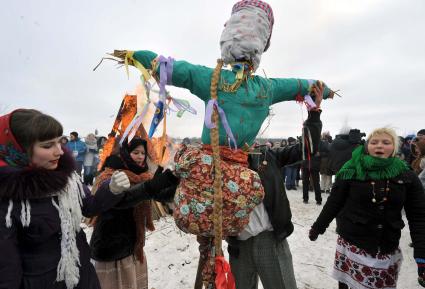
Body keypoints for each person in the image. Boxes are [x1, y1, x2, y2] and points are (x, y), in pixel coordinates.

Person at [0, 109, 131, 289]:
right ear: (20, 150)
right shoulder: (8, 200)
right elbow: (6, 267)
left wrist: (110, 190)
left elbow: (89, 207)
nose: (59, 151)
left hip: (82, 274)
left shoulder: (67, 180)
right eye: (47, 146)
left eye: (59, 142)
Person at [227, 82, 324, 289]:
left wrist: (314, 114)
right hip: (238, 244)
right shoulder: (219, 162)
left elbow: (308, 149)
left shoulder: (266, 156)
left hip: (270, 239)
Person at [308, 127, 425, 289]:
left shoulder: (406, 175)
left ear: (394, 147)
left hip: (386, 247)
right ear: (366, 146)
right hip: (352, 245)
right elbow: (334, 202)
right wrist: (318, 227)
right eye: (374, 142)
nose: (379, 146)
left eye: (386, 142)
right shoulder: (350, 170)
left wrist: (421, 254)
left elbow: (418, 216)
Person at [89, 137, 179, 289]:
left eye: (143, 153)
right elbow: (125, 199)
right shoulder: (110, 175)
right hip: (111, 245)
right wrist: (152, 186)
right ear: (125, 153)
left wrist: (175, 180)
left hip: (133, 245)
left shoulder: (144, 176)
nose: (140, 157)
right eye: (135, 152)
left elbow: (162, 196)